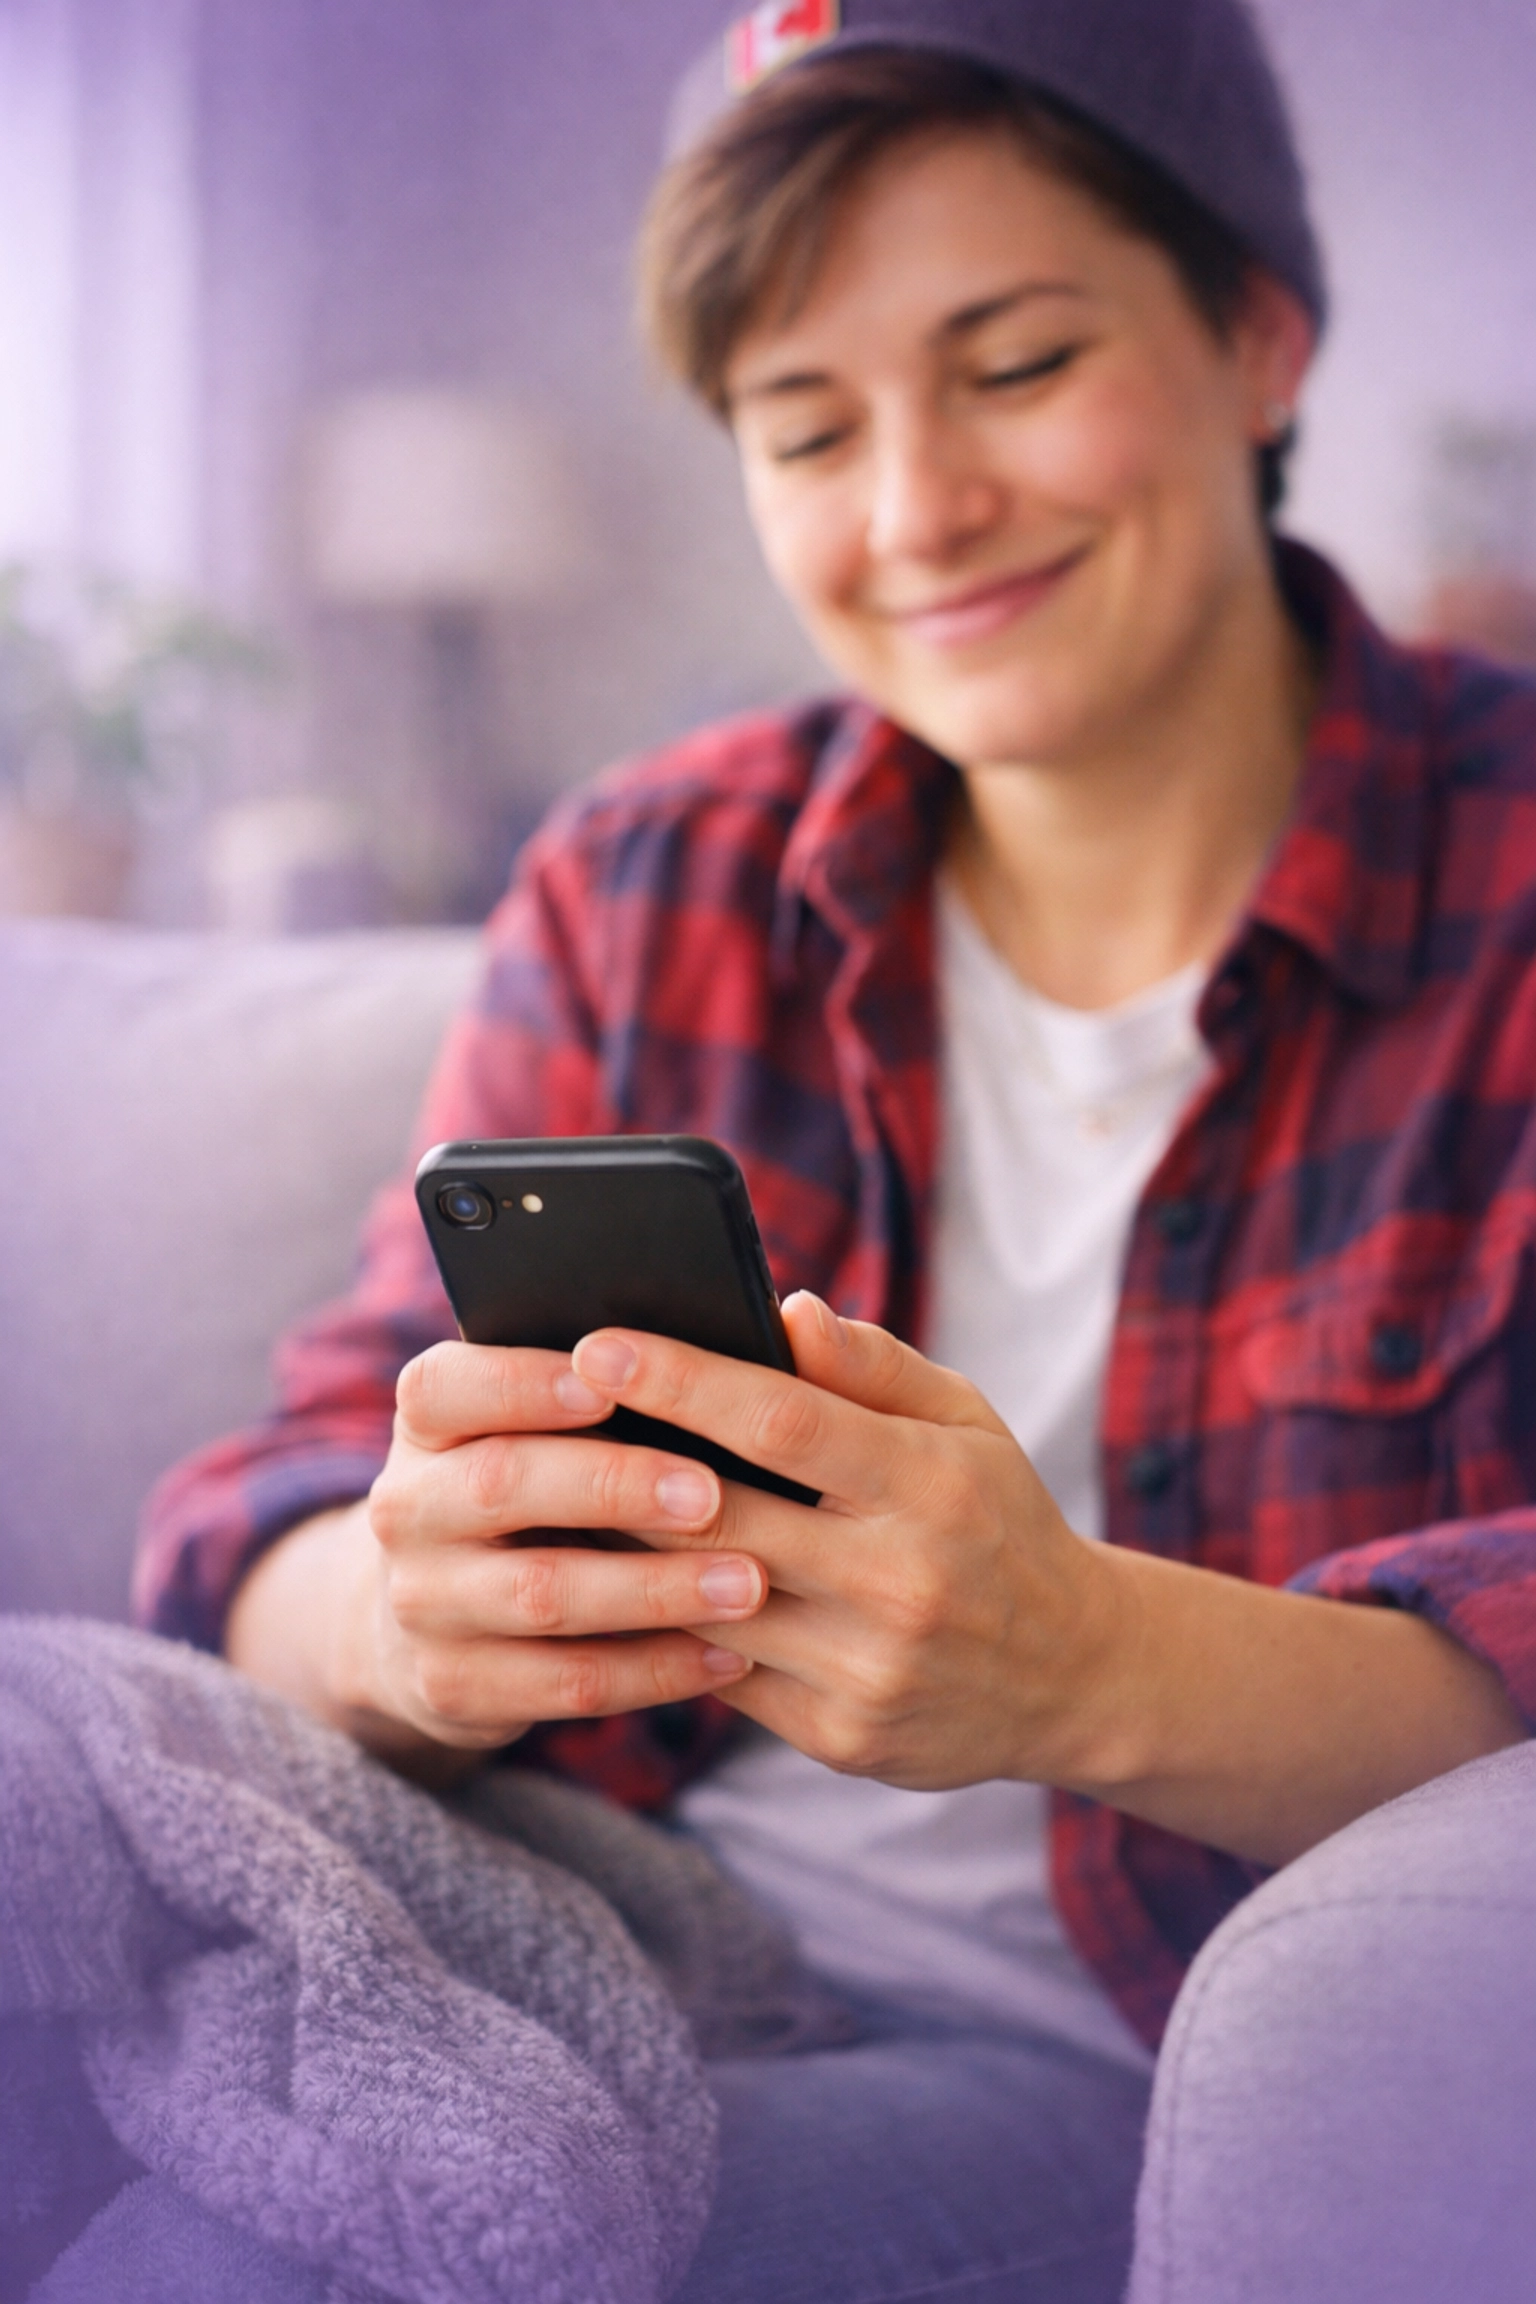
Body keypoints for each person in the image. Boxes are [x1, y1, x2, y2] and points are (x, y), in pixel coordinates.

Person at [138, 3, 1536, 2298]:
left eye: (1011, 365)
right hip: (611, 1932)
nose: (912, 514)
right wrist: (411, 1612)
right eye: (806, 426)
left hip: (1150, 2063)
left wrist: (1081, 1659)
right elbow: (268, 1518)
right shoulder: (652, 879)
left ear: (1259, 337)